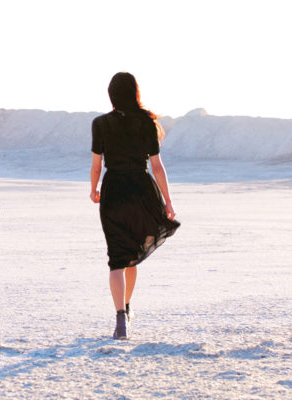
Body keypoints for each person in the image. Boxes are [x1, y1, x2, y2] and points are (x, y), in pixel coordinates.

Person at [90, 72, 181, 340]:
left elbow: (96, 165)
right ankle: (127, 308)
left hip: (113, 191)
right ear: (134, 93)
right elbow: (157, 167)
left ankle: (121, 317)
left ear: (111, 95)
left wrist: (93, 189)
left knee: (116, 257)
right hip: (140, 190)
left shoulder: (100, 124)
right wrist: (168, 201)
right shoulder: (146, 122)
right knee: (132, 253)